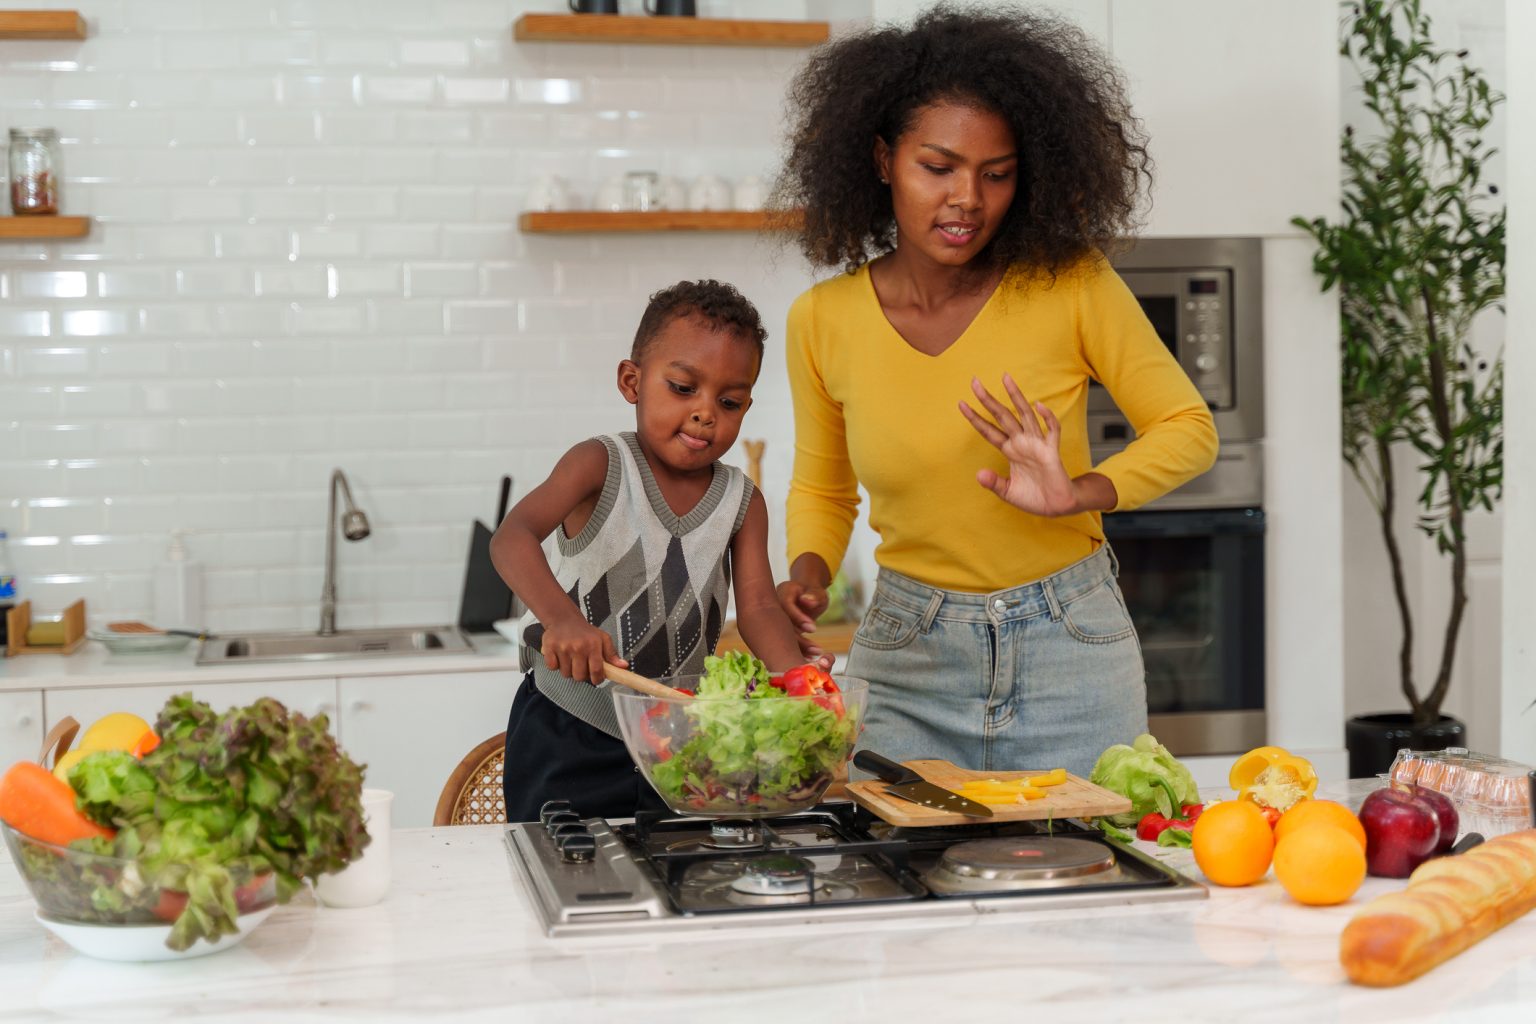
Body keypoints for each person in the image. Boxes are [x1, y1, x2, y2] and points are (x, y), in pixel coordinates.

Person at [770, 4, 1219, 778]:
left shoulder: (1072, 284)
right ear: (883, 161)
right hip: (908, 658)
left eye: (997, 173)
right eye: (938, 167)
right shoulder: (823, 320)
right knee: (903, 883)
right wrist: (806, 575)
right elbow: (823, 486)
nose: (968, 199)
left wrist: (1080, 490)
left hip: (1070, 647)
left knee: (1095, 883)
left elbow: (1188, 428)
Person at [490, 280, 817, 822]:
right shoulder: (599, 463)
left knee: (677, 876)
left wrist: (799, 682)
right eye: (684, 388)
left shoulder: (742, 500)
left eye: (729, 401)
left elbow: (758, 608)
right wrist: (563, 621)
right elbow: (512, 537)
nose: (706, 412)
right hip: (569, 726)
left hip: (678, 738)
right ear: (632, 381)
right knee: (565, 873)